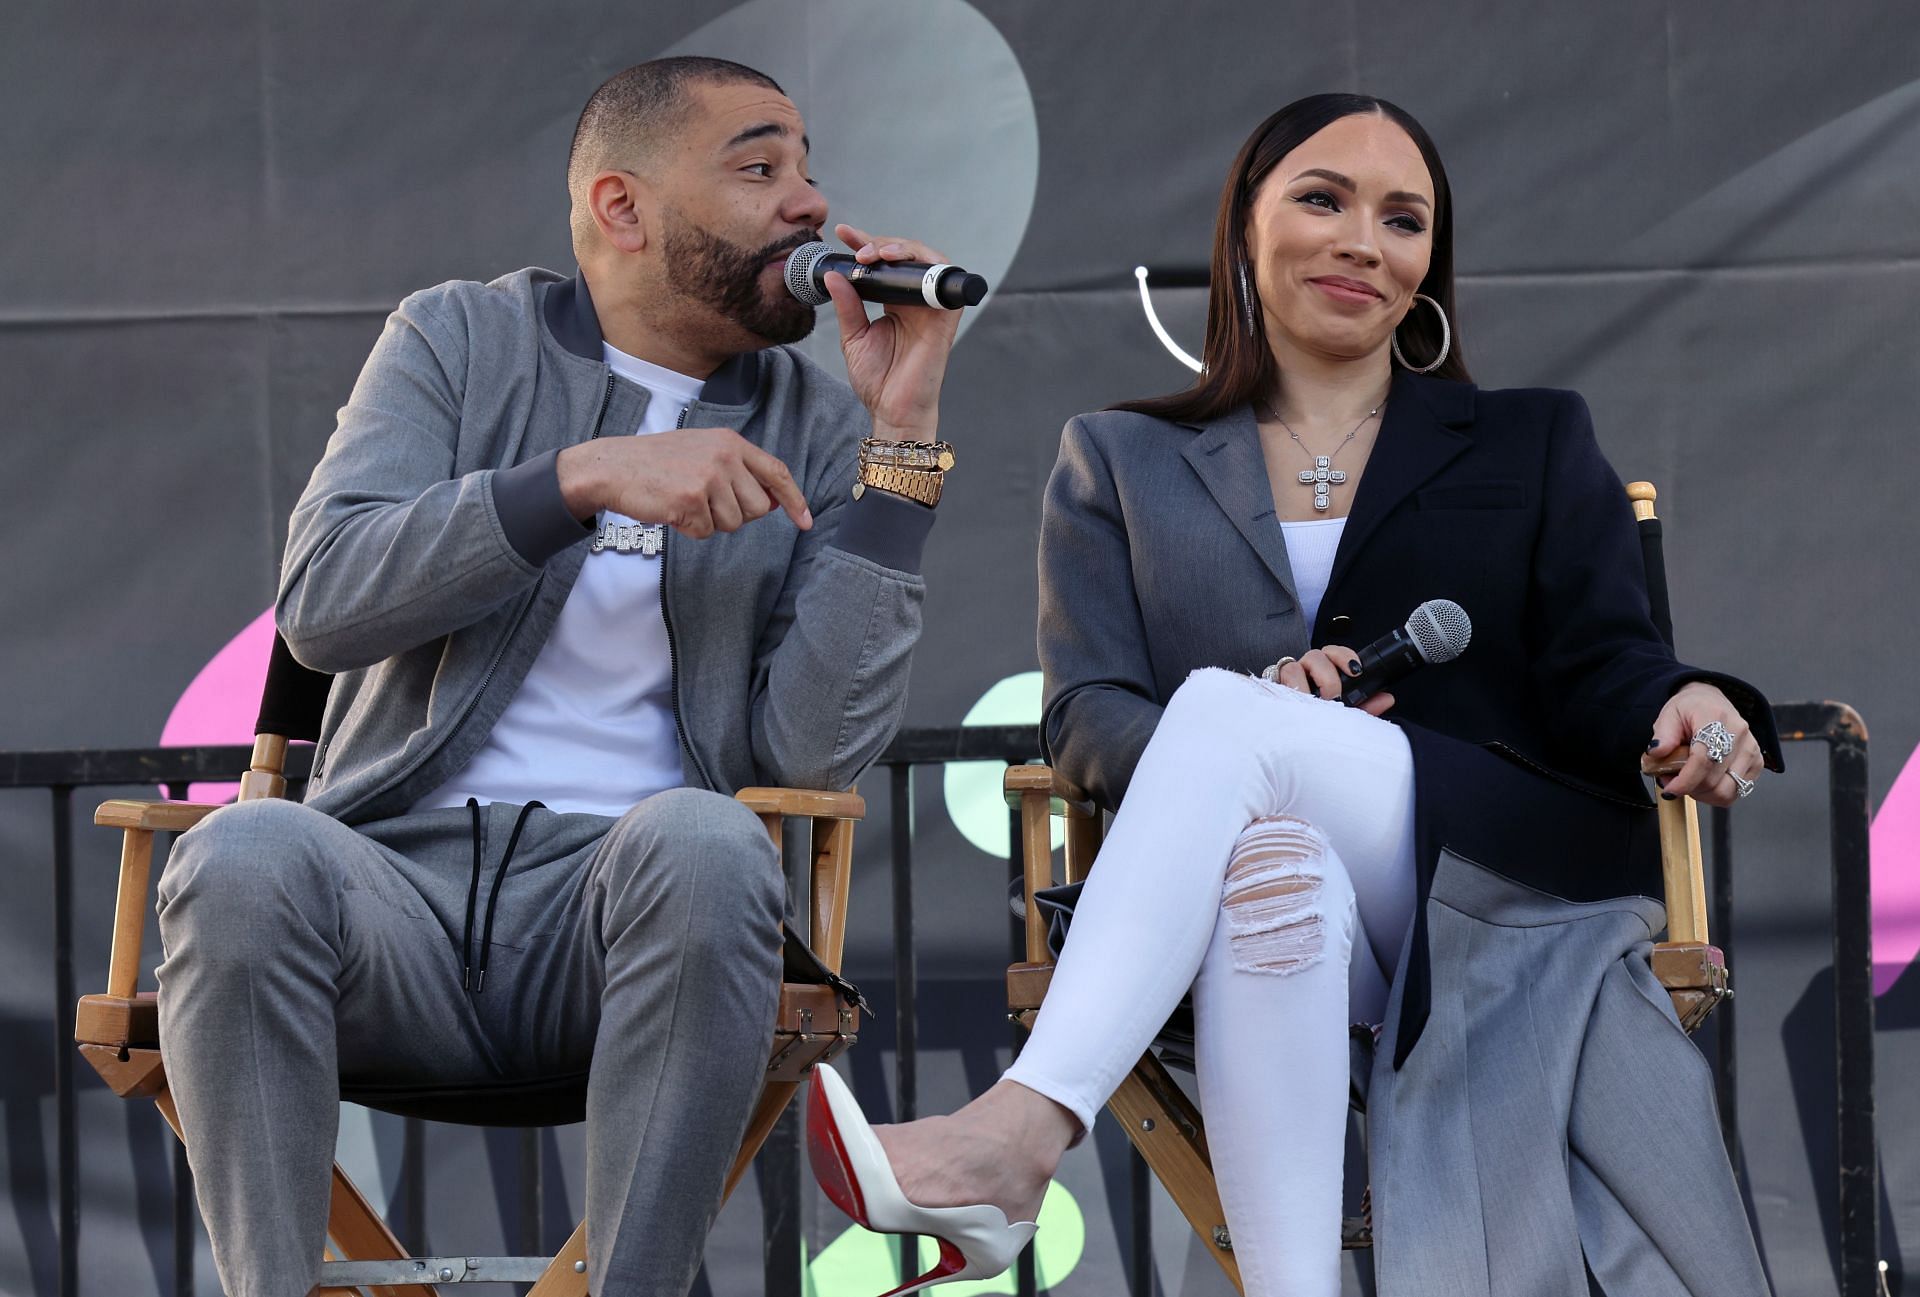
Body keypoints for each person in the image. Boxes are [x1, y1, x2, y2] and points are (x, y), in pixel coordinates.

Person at [807, 94, 1780, 1296]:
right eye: (1323, 199)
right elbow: (1089, 713)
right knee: (1278, 864)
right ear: (1243, 233)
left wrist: (1687, 694)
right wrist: (1263, 724)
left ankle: (1021, 1133)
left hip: (1506, 880)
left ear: (1431, 264)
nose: (1364, 240)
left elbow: (1605, 668)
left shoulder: (1530, 437)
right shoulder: (1120, 456)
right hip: (1249, 895)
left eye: (1404, 219)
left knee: (1230, 719)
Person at [155, 56, 964, 1297]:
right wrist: (573, 482)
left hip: (631, 921)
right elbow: (324, 603)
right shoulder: (460, 338)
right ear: (621, 207)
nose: (807, 203)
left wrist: (898, 448)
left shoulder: (810, 419)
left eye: (808, 170)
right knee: (243, 855)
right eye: (759, 168)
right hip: (392, 909)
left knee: (705, 842)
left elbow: (810, 754)